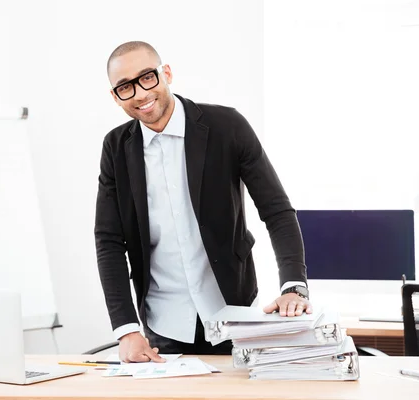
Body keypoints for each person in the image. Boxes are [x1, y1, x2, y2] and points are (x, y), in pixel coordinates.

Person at [94, 41, 312, 363]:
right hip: (163, 325)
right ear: (115, 96)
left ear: (166, 73)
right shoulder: (116, 148)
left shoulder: (227, 127)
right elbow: (109, 241)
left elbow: (275, 209)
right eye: (125, 87)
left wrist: (293, 285)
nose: (140, 93)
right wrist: (126, 329)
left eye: (147, 78)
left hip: (233, 313)